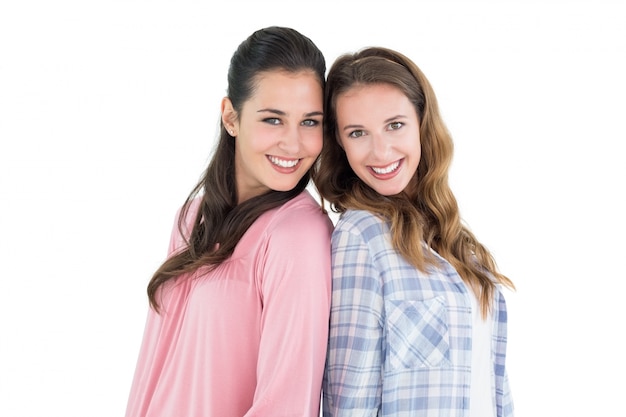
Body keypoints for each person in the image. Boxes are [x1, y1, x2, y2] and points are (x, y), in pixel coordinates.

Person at [125, 26, 333, 417]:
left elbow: (286, 404)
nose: (294, 144)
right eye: (273, 120)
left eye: (310, 122)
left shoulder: (298, 236)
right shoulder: (193, 216)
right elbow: (153, 364)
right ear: (231, 117)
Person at [314, 46, 516, 416]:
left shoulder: (454, 237)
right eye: (358, 132)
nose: (381, 151)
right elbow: (350, 400)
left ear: (422, 121)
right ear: (340, 142)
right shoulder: (361, 238)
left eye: (395, 125)